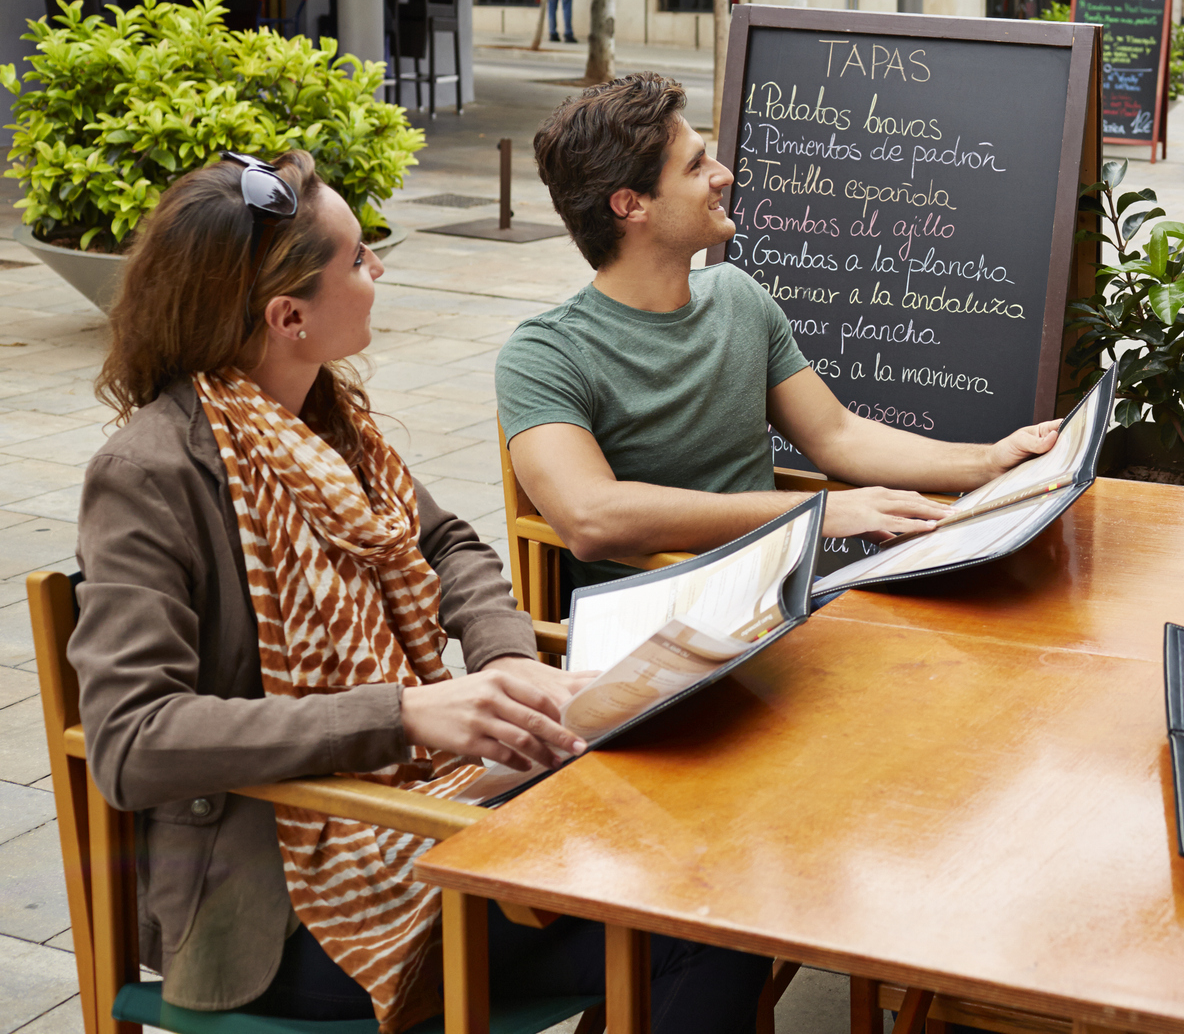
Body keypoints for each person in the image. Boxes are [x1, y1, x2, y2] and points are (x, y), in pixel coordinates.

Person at [69, 150, 771, 1033]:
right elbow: (132, 740)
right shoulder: (149, 472)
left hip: (423, 810)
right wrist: (403, 711)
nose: (381, 271)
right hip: (281, 908)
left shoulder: (324, 420)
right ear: (289, 316)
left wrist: (507, 658)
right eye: (360, 259)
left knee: (707, 851)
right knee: (713, 917)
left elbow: (444, 541)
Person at [496, 73, 1062, 598]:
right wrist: (809, 514)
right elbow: (591, 519)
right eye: (695, 167)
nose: (724, 174)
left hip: (778, 601)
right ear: (631, 204)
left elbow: (837, 436)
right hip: (655, 633)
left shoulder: (737, 296)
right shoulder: (544, 355)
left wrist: (988, 463)